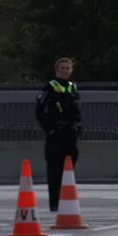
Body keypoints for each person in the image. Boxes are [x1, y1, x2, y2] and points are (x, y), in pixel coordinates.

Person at [35, 57, 82, 211]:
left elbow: (77, 110)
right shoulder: (49, 87)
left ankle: (67, 200)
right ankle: (55, 203)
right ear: (57, 70)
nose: (65, 71)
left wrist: (78, 126)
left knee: (69, 167)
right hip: (56, 134)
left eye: (68, 68)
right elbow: (39, 112)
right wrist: (50, 130)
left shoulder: (72, 86)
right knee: (54, 169)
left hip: (70, 134)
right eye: (62, 68)